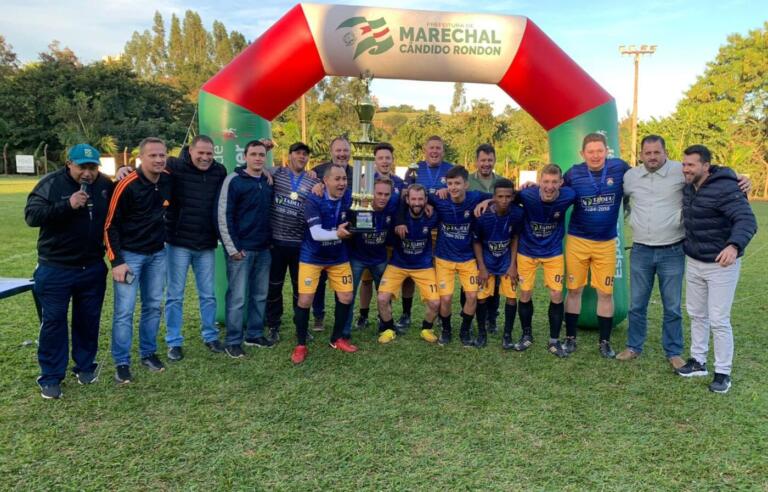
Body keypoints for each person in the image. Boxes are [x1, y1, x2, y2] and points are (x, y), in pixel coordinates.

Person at [116, 135, 228, 360]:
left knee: (208, 295)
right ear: (191, 151)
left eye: (209, 153)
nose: (205, 157)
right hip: (177, 243)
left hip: (206, 243)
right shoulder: (174, 166)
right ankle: (174, 341)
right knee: (175, 295)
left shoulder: (220, 171)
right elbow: (148, 164)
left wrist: (266, 170)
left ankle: (210, 335)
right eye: (201, 153)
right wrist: (123, 168)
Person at [24, 144, 114, 399]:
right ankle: (51, 376)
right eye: (82, 167)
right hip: (55, 267)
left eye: (92, 167)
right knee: (53, 322)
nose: (87, 173)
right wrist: (67, 205)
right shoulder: (51, 184)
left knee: (88, 319)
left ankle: (85, 367)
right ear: (69, 165)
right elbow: (31, 216)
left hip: (92, 267)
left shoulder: (105, 184)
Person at [676, 144, 756, 393]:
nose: (686, 169)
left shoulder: (726, 186)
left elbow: (746, 219)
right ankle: (698, 361)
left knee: (719, 319)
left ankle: (723, 372)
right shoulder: (689, 187)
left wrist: (733, 246)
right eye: (684, 164)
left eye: (691, 165)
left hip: (721, 264)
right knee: (697, 314)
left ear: (705, 166)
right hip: (695, 261)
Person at [105, 137, 172, 383]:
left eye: (161, 155)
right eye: (152, 155)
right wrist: (117, 261)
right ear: (140, 158)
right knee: (124, 311)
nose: (158, 159)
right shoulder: (126, 184)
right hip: (130, 256)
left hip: (157, 254)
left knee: (154, 306)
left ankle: (148, 353)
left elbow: (188, 161)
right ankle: (122, 362)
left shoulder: (167, 178)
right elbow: (109, 225)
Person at [617, 135, 686, 367]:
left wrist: (739, 178)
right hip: (641, 250)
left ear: (665, 152)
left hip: (673, 250)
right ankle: (633, 346)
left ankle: (674, 351)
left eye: (657, 152)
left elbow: (709, 174)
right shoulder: (631, 176)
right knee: (637, 304)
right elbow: (620, 199)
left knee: (673, 305)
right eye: (648, 153)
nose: (652, 157)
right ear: (641, 154)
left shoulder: (680, 171)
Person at [563, 133, 631, 358]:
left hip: (606, 243)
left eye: (599, 151)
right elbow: (553, 190)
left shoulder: (620, 168)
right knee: (574, 290)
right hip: (578, 241)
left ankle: (605, 342)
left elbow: (643, 179)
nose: (595, 155)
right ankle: (570, 338)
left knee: (605, 293)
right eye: (590, 151)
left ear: (606, 151)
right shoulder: (573, 173)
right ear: (582, 153)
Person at [291, 165, 356, 364]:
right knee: (305, 299)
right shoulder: (313, 199)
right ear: (325, 181)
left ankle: (337, 338)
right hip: (312, 256)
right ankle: (301, 344)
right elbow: (316, 234)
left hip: (338, 257)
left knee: (346, 296)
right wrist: (338, 234)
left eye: (344, 179)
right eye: (336, 179)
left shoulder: (348, 197)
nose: (341, 183)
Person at [217, 140, 273, 358]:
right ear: (245, 156)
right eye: (254, 154)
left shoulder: (267, 181)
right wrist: (233, 248)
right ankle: (233, 340)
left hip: (264, 248)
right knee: (238, 297)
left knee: (260, 295)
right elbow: (224, 215)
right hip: (241, 250)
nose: (258, 158)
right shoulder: (234, 181)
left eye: (261, 155)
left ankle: (254, 334)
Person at [427, 165, 491, 346]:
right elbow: (413, 196)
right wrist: (427, 205)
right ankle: (446, 330)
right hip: (444, 258)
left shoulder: (475, 197)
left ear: (466, 185)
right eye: (450, 183)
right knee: (445, 298)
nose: (453, 187)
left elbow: (505, 196)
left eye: (457, 183)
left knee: (472, 297)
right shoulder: (440, 199)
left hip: (467, 259)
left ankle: (465, 330)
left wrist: (489, 202)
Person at [516, 164, 576, 356]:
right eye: (546, 181)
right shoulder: (527, 195)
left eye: (554, 182)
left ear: (561, 183)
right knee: (525, 293)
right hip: (527, 251)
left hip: (553, 252)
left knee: (556, 295)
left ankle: (554, 340)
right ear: (539, 182)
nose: (549, 186)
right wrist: (486, 202)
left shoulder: (568, 195)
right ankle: (526, 335)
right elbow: (504, 198)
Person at [398, 135, 454, 331]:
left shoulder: (450, 170)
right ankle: (406, 313)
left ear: (443, 150)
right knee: (409, 271)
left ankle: (440, 313)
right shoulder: (414, 169)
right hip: (416, 227)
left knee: (439, 272)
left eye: (438, 148)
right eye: (431, 148)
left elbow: (457, 195)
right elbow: (405, 196)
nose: (435, 151)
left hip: (441, 229)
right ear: (425, 149)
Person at [265, 142, 320, 342]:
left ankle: (302, 327)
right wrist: (266, 149)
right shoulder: (276, 172)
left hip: (299, 244)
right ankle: (273, 325)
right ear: (289, 156)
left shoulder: (313, 181)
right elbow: (253, 166)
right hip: (276, 244)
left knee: (300, 289)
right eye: (298, 153)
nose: (302, 157)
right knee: (274, 287)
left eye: (305, 154)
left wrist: (320, 183)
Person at [351, 142, 406, 331]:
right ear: (375, 161)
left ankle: (385, 320)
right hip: (365, 238)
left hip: (386, 239)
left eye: (387, 158)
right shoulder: (365, 180)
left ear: (392, 160)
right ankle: (363, 315)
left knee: (384, 285)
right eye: (381, 158)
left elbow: (403, 206)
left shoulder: (399, 182)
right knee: (365, 281)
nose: (384, 161)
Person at [377, 184, 441, 344]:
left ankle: (427, 328)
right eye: (413, 199)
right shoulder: (398, 215)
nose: (417, 202)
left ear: (426, 200)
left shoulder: (432, 214)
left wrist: (433, 202)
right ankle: (388, 329)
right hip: (398, 264)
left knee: (435, 302)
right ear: (407, 199)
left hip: (423, 266)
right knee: (382, 298)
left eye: (420, 199)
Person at [343, 177, 397, 339]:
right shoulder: (360, 207)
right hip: (357, 257)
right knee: (348, 294)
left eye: (386, 194)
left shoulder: (392, 208)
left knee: (384, 293)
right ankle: (345, 331)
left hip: (379, 258)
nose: (382, 198)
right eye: (379, 193)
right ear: (371, 193)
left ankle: (386, 325)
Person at [472, 178, 524, 348]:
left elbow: (515, 237)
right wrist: (482, 268)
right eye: (500, 196)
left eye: (508, 196)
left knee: (511, 296)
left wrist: (513, 265)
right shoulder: (482, 215)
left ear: (513, 197)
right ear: (493, 196)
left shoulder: (517, 213)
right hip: (487, 261)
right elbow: (477, 242)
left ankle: (507, 335)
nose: (504, 200)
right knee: (481, 298)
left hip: (505, 261)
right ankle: (481, 333)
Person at [308, 137, 352, 331]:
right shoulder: (317, 171)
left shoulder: (358, 170)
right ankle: (318, 315)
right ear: (331, 151)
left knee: (341, 281)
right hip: (322, 233)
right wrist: (316, 185)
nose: (342, 154)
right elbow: (308, 189)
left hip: (345, 234)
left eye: (345, 150)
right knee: (319, 282)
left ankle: (340, 321)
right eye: (338, 150)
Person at [466, 144, 503, 332]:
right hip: (471, 238)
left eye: (490, 160)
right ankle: (468, 317)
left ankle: (492, 317)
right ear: (476, 161)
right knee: (470, 281)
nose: (486, 164)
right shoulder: (467, 181)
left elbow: (513, 199)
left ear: (494, 160)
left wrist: (490, 200)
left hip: (495, 240)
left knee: (494, 280)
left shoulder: (502, 181)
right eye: (483, 160)